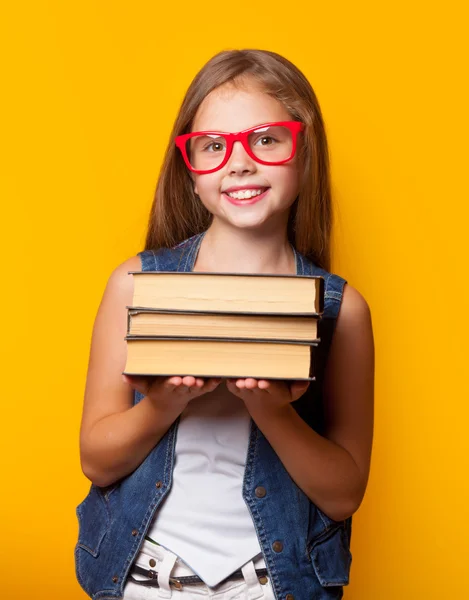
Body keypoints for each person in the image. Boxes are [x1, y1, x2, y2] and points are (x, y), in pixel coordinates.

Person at [75, 49, 374, 600]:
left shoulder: (340, 311)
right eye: (213, 146)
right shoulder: (135, 285)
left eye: (265, 139)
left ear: (304, 155)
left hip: (273, 584)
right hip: (142, 579)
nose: (238, 162)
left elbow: (343, 495)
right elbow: (96, 460)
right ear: (190, 173)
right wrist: (165, 404)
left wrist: (270, 409)